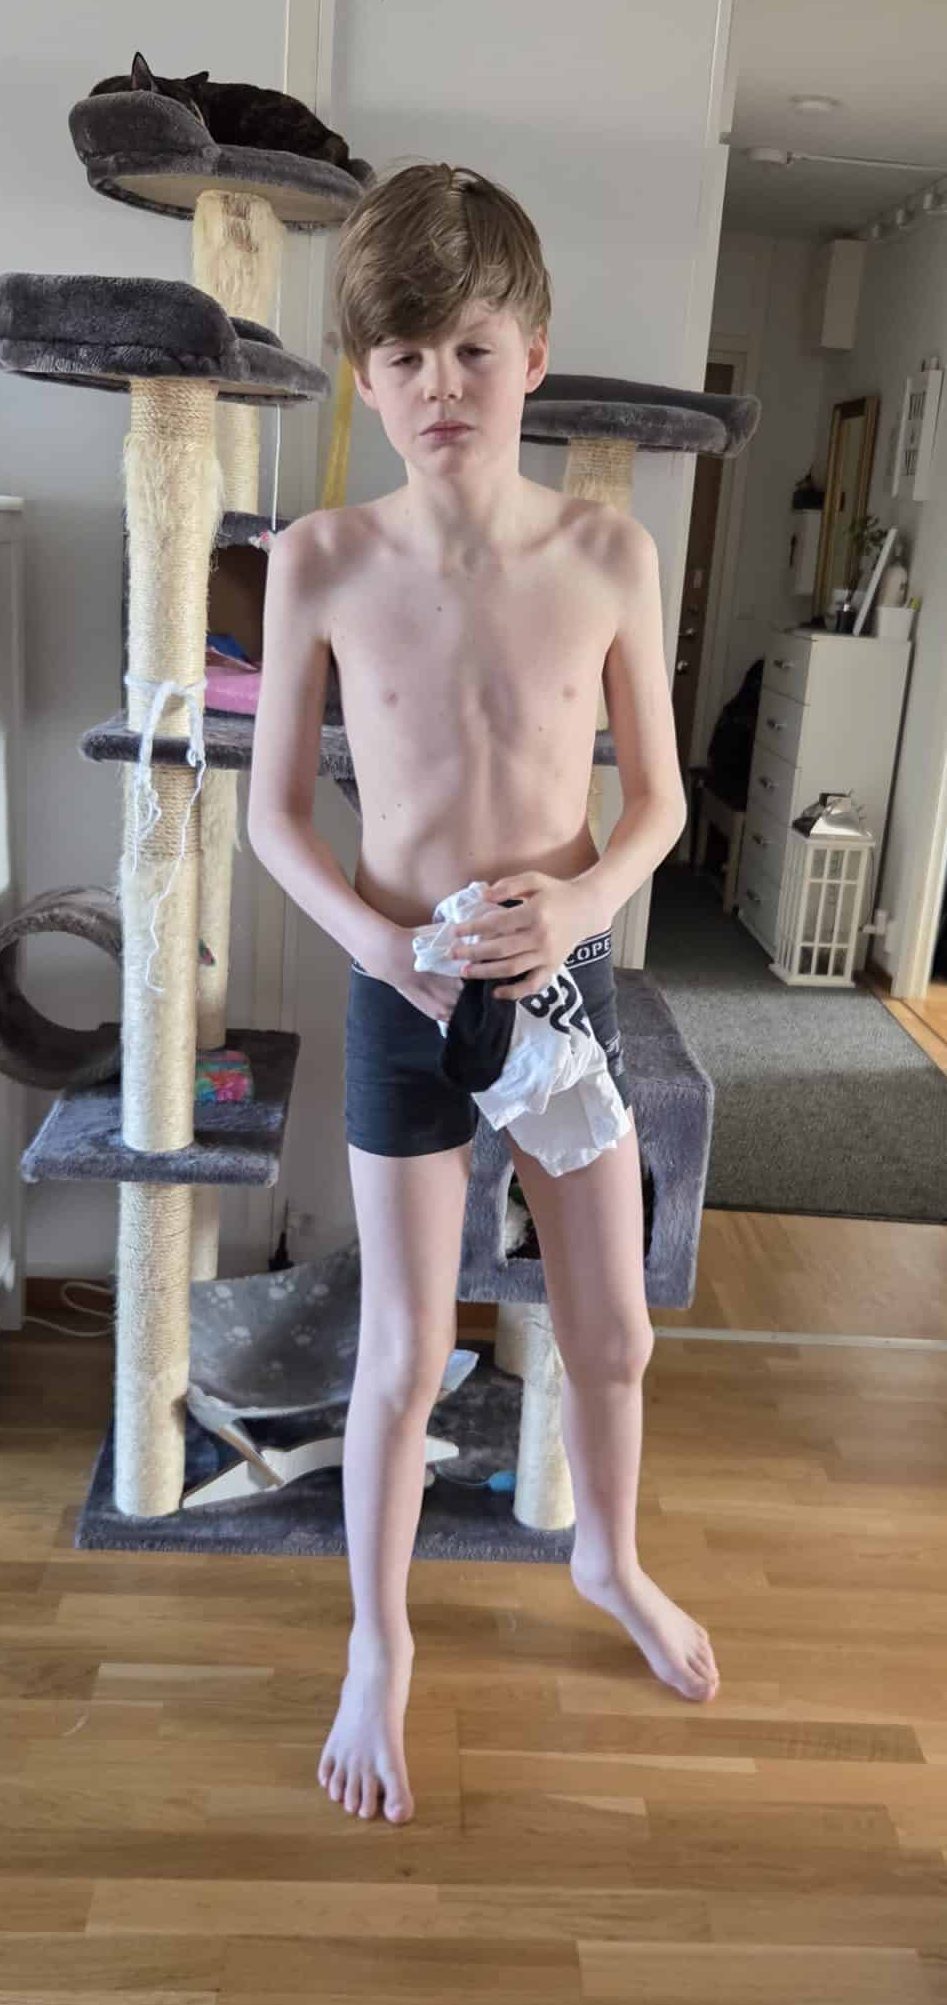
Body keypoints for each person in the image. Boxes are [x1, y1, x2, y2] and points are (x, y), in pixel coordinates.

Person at [247, 160, 719, 1827]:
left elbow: (658, 799)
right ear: (364, 377)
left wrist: (584, 903)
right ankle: (376, 1642)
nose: (438, 385)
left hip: (562, 979)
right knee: (400, 1345)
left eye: (469, 348)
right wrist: (377, 946)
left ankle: (609, 1554)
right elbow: (277, 817)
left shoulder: (608, 550)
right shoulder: (318, 557)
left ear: (534, 352)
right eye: (402, 357)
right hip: (404, 981)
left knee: (613, 1324)